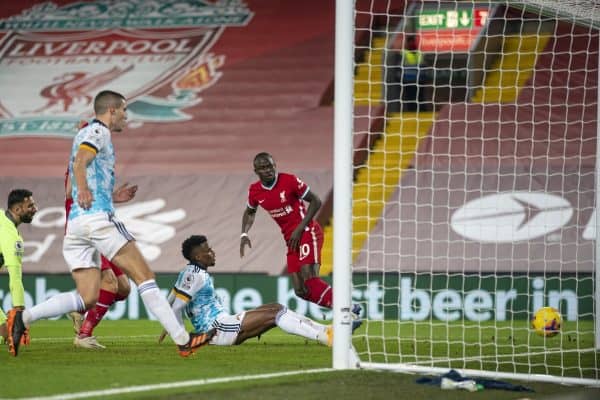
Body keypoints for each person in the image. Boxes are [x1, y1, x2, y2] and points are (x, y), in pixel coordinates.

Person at [6, 90, 213, 357]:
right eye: (124, 111)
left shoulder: (85, 138)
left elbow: (70, 188)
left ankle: (23, 318)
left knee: (85, 297)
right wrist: (84, 190)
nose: (127, 117)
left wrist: (109, 195)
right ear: (111, 110)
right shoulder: (98, 131)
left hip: (76, 228)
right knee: (145, 278)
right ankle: (184, 340)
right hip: (97, 221)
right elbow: (81, 163)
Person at [240, 152, 362, 327]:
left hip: (307, 231)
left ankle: (346, 313)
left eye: (271, 166)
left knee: (309, 275)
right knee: (301, 290)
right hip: (291, 240)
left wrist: (299, 228)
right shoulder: (255, 191)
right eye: (263, 168)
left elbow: (316, 201)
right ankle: (350, 307)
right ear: (256, 171)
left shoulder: (289, 181)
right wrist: (244, 234)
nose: (268, 170)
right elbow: (249, 212)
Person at [159, 235, 333, 347]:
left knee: (276, 307)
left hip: (220, 325)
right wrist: (181, 338)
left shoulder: (188, 272)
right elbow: (176, 307)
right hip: (216, 329)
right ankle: (323, 336)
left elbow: (172, 297)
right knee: (275, 314)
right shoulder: (196, 275)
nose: (213, 252)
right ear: (198, 257)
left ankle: (326, 330)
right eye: (208, 250)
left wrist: (168, 324)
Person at [64, 166, 133, 349]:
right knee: (109, 282)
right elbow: (70, 193)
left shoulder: (98, 167)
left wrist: (113, 198)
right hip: (83, 232)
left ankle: (80, 307)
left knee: (124, 288)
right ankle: (84, 335)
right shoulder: (79, 163)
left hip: (101, 232)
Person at [0, 189, 37, 353]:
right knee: (6, 334)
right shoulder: (11, 238)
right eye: (30, 206)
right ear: (17, 210)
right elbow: (15, 279)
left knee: (5, 334)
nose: (35, 209)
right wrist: (19, 314)